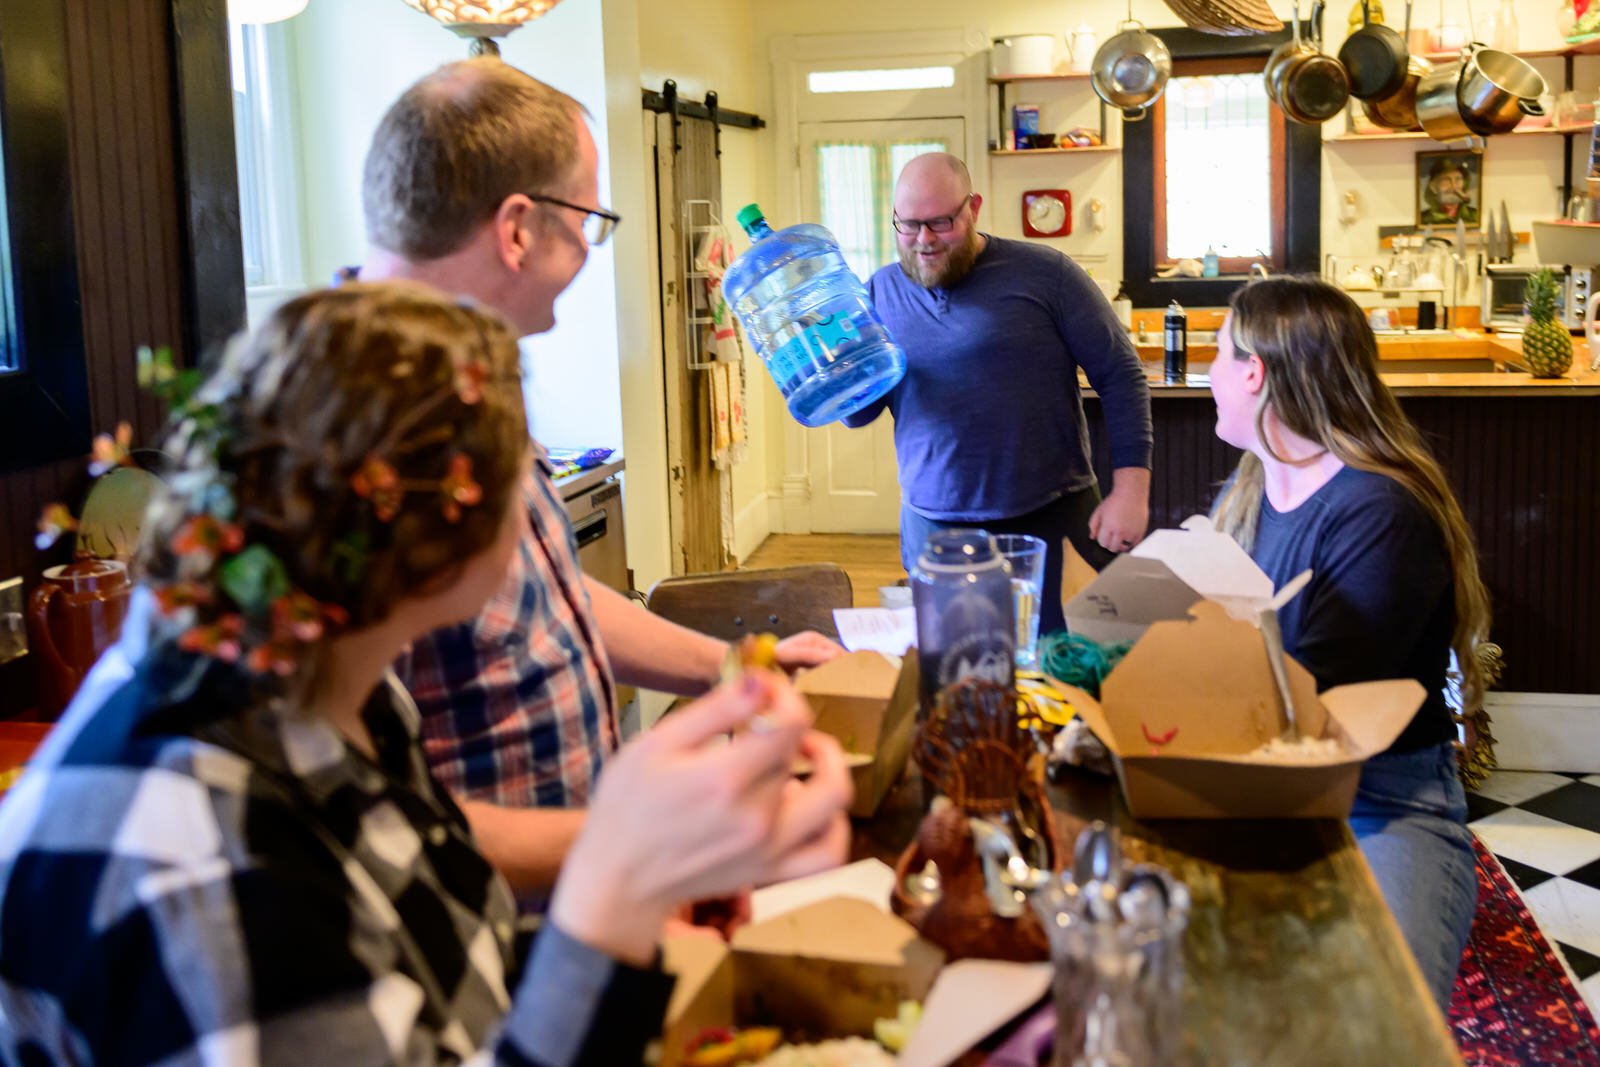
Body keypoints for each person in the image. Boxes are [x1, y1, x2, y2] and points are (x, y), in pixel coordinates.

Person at [0, 283, 852, 1064]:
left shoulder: (327, 677)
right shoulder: (200, 867)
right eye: (524, 472)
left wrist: (653, 869)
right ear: (456, 541)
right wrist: (612, 905)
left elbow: (435, 941)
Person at [358, 59, 842, 895]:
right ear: (517, 229)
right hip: (473, 946)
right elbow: (361, 816)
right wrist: (653, 843)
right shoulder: (354, 440)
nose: (589, 245)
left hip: (573, 904)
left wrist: (738, 668)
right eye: (589, 217)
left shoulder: (469, 387)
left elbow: (551, 603)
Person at [1208, 276, 1490, 1008]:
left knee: (1373, 1021)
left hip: (1381, 803)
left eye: (1216, 354)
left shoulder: (1382, 510)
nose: (1207, 374)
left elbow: (1314, 696)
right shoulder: (1251, 491)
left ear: (1254, 372)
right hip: (1256, 783)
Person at [841, 153, 1153, 634]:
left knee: (1070, 673)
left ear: (974, 208)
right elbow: (858, 415)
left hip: (1053, 518)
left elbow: (1121, 372)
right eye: (909, 225)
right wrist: (832, 375)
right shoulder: (878, 293)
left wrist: (1131, 492)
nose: (924, 240)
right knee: (962, 683)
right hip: (935, 528)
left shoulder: (1046, 274)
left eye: (941, 222)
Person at [1419, 155, 1479, 226]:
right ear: (1433, 187)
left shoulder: (1475, 215)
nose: (1454, 186)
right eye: (1446, 180)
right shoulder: (1423, 219)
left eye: (1458, 179)